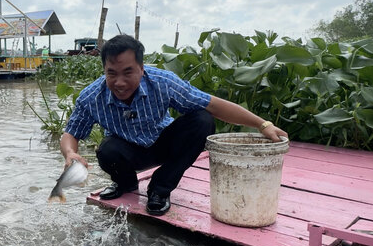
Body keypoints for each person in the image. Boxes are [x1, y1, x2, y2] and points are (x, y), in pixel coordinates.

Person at [60, 34, 288, 216]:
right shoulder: (91, 96)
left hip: (163, 144)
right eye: (112, 74)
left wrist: (262, 124)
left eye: (128, 72)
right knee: (106, 150)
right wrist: (70, 154)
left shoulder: (163, 82)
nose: (119, 82)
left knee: (202, 120)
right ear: (104, 71)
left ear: (141, 68)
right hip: (127, 150)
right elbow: (71, 133)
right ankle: (125, 184)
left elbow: (214, 105)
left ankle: (159, 189)